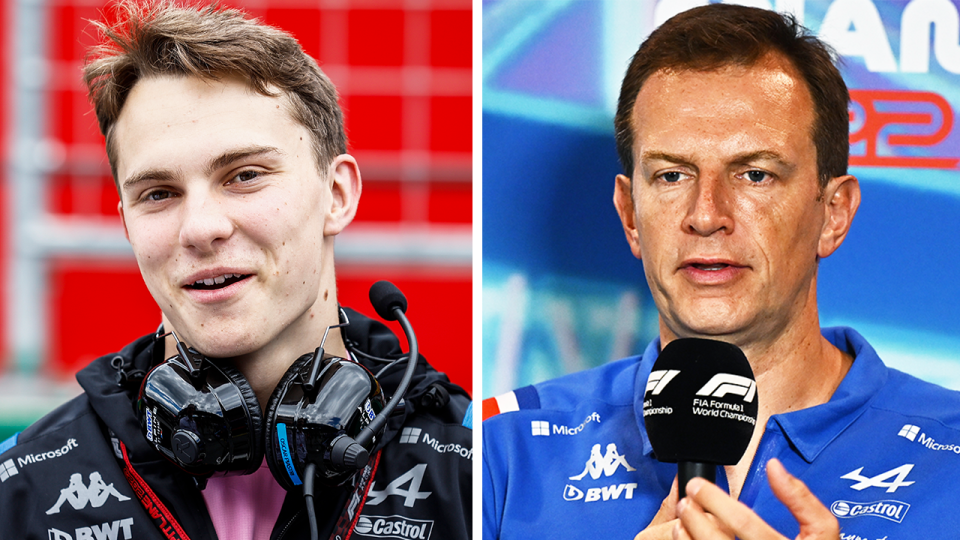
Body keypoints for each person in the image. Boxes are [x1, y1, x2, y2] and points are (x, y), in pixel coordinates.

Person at [482, 4, 960, 539]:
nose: (706, 215)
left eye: (755, 174)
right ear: (630, 215)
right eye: (671, 175)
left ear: (834, 213)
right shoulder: (502, 449)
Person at [0, 3, 471, 539]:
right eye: (158, 193)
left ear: (336, 195)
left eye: (244, 175)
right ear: (128, 225)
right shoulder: (19, 491)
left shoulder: (478, 471)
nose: (200, 228)